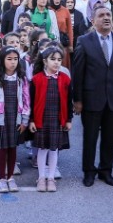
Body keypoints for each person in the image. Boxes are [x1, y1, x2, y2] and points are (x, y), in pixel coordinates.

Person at [73, 5, 113, 188]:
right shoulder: (84, 40)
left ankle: (106, 171)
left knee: (110, 138)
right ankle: (89, 172)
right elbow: (78, 73)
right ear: (93, 20)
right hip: (91, 100)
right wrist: (78, 100)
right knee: (90, 138)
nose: (106, 18)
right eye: (101, 15)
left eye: (108, 14)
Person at [0, 47, 30, 193]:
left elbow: (26, 99)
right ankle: (2, 179)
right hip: (1, 118)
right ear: (2, 60)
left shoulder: (21, 78)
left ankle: (10, 177)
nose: (12, 62)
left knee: (12, 148)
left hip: (15, 118)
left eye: (15, 59)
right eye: (9, 59)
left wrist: (25, 120)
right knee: (2, 148)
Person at [29, 47, 72, 192]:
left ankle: (51, 177)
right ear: (44, 61)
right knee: (42, 148)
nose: (57, 63)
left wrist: (68, 119)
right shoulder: (36, 79)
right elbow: (31, 101)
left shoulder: (65, 79)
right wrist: (31, 120)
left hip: (58, 119)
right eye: (53, 59)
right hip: (42, 118)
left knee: (54, 149)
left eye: (59, 60)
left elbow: (68, 100)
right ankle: (41, 177)